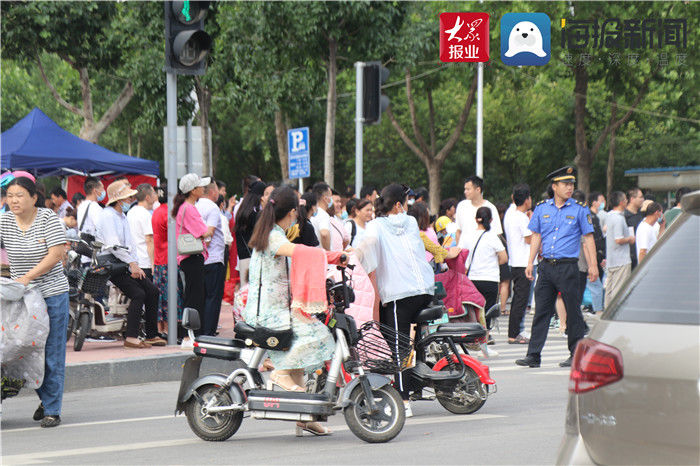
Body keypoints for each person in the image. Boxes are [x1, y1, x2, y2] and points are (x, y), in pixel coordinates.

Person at [243, 186, 335, 436]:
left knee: (303, 355)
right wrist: (327, 255)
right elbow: (299, 252)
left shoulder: (276, 232)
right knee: (316, 334)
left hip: (278, 308)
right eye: (297, 212)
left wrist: (337, 256)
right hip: (266, 311)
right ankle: (279, 374)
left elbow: (303, 253)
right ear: (293, 212)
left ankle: (303, 417)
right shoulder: (273, 237)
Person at [354, 184, 437, 417]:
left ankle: (403, 400)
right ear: (399, 204)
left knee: (399, 348)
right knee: (415, 343)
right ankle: (417, 384)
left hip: (401, 296)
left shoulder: (375, 226)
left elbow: (366, 247)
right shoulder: (410, 222)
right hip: (425, 290)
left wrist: (353, 256)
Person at [0, 176, 70, 427]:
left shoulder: (47, 218)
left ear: (33, 197)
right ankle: (45, 395)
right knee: (16, 351)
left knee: (50, 352)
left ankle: (52, 408)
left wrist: (28, 276)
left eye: (19, 195)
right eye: (9, 195)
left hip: (51, 294)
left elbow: (57, 253)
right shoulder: (5, 220)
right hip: (20, 297)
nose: (13, 200)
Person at [515, 166, 598, 369]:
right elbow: (536, 235)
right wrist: (530, 262)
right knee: (542, 311)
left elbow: (588, 238)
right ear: (554, 186)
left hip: (568, 267)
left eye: (571, 184)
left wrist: (593, 266)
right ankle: (533, 355)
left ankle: (575, 354)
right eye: (565, 184)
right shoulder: (542, 208)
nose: (570, 188)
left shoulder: (579, 209)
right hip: (546, 267)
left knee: (573, 312)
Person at [97, 180, 164, 349]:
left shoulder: (122, 216)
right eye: (127, 197)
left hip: (125, 263)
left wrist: (134, 264)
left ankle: (151, 334)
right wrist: (132, 264)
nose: (130, 200)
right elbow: (114, 246)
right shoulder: (108, 216)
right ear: (118, 200)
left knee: (152, 291)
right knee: (138, 294)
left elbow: (130, 244)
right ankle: (131, 337)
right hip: (113, 265)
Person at [174, 174, 213, 339]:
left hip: (189, 257)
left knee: (192, 295)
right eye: (200, 186)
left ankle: (190, 334)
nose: (203, 188)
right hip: (192, 257)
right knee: (194, 297)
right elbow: (204, 232)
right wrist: (210, 230)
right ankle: (190, 334)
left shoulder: (184, 207)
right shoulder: (188, 208)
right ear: (193, 190)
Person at [464, 207, 507, 351]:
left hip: (472, 279)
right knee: (487, 312)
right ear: (491, 220)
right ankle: (484, 344)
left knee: (474, 312)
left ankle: (473, 340)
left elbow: (462, 256)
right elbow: (504, 258)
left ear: (476, 219)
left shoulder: (468, 236)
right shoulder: (492, 236)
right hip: (490, 279)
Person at [196, 180, 226, 336]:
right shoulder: (212, 208)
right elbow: (210, 233)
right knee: (212, 297)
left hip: (197, 259)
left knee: (201, 297)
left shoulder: (195, 205)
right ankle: (209, 332)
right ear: (212, 191)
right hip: (213, 258)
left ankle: (200, 330)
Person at [503, 184, 533, 344]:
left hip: (515, 261)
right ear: (527, 200)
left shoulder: (510, 214)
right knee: (521, 300)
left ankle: (516, 331)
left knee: (518, 299)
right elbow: (529, 238)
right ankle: (514, 333)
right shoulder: (521, 218)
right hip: (523, 262)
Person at [604, 191, 635, 310]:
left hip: (611, 259)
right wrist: (630, 239)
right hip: (621, 260)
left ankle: (607, 311)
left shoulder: (610, 216)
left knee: (610, 289)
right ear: (622, 202)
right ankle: (614, 313)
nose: (627, 201)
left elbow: (605, 229)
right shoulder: (618, 219)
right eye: (626, 200)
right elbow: (618, 239)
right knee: (618, 289)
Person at [234, 180, 268, 286]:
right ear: (261, 196)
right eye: (266, 194)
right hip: (255, 259)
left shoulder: (242, 211)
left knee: (246, 294)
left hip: (243, 259)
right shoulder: (257, 214)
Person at [455, 175, 502, 249]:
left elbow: (497, 234)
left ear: (478, 189)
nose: (465, 192)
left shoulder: (491, 208)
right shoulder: (461, 206)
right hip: (465, 254)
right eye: (465, 189)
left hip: (484, 255)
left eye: (468, 189)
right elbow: (458, 231)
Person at [151, 184, 172, 336]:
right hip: (169, 258)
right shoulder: (169, 214)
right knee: (170, 295)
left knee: (160, 295)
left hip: (159, 258)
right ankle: (168, 328)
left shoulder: (156, 212)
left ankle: (160, 327)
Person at [126, 184, 157, 279]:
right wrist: (153, 263)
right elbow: (149, 240)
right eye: (154, 193)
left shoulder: (131, 212)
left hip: (134, 261)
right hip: (145, 261)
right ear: (148, 197)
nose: (156, 196)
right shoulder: (145, 214)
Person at [586, 192, 606, 314]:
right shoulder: (590, 217)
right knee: (596, 285)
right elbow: (590, 240)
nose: (603, 203)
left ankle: (597, 308)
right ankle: (597, 310)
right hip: (593, 257)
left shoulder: (596, 217)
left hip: (598, 256)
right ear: (594, 202)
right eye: (601, 200)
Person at [76, 176, 106, 241]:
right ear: (95, 191)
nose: (104, 191)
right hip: (94, 246)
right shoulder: (95, 207)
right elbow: (102, 230)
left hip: (83, 244)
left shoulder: (81, 206)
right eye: (102, 189)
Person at [624, 187, 645, 269]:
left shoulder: (642, 215)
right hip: (629, 259)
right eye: (641, 197)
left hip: (640, 255)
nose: (643, 199)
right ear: (632, 199)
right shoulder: (624, 216)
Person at [310, 182, 333, 251]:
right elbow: (324, 234)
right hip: (321, 256)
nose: (331, 199)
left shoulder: (311, 212)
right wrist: (328, 252)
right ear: (325, 198)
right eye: (330, 196)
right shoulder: (323, 215)